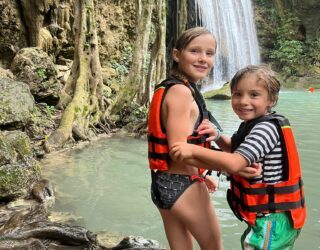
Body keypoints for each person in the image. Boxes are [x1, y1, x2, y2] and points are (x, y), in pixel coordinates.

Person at [170, 65, 306, 250]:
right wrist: (217, 136)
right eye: (237, 94)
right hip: (271, 218)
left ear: (271, 100)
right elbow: (236, 148)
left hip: (272, 220)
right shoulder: (254, 124)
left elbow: (235, 162)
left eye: (254, 95)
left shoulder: (265, 129)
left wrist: (191, 150)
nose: (243, 101)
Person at [147, 27, 260, 250]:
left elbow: (183, 147)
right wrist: (232, 167)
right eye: (195, 51)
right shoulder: (181, 92)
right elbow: (178, 149)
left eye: (209, 53)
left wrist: (206, 172)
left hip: (162, 184)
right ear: (177, 55)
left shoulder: (170, 87)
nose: (203, 59)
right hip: (183, 185)